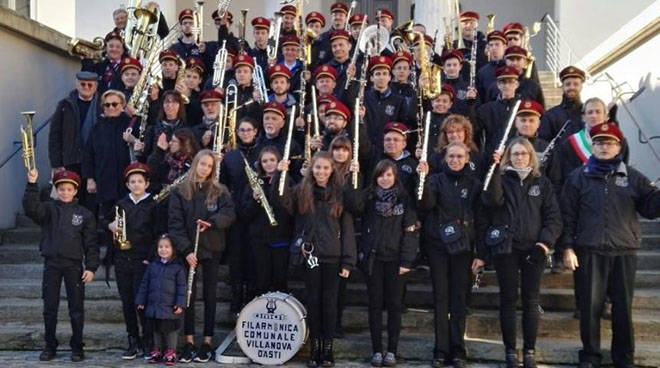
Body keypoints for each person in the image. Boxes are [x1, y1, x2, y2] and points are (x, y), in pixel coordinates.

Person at [560, 122, 660, 368]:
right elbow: (567, 216)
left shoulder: (634, 177)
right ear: (592, 146)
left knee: (623, 310)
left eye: (610, 143)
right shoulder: (577, 178)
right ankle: (590, 356)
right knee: (590, 308)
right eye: (599, 142)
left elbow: (650, 209)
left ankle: (623, 358)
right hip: (589, 251)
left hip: (624, 251)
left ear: (619, 147)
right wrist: (567, 248)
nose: (604, 147)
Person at [479, 137, 562, 368]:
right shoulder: (502, 179)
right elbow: (492, 201)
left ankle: (529, 350)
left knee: (531, 299)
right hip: (507, 248)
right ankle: (510, 351)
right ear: (509, 157)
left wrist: (544, 244)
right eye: (514, 154)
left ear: (531, 156)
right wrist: (495, 170)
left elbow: (553, 218)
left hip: (533, 249)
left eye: (523, 154)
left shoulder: (541, 183)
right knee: (508, 299)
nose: (519, 157)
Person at [275, 151, 356, 368]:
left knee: (329, 302)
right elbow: (284, 202)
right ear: (312, 169)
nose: (321, 172)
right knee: (313, 300)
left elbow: (347, 228)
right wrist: (281, 175)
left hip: (332, 255)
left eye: (325, 168)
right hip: (311, 255)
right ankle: (315, 346)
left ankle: (327, 347)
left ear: (332, 171)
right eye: (317, 168)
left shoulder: (340, 194)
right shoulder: (302, 191)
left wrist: (348, 261)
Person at [416, 142, 482, 368]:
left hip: (463, 249)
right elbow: (426, 204)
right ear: (445, 159)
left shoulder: (473, 184)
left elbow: (481, 218)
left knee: (459, 300)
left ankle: (458, 349)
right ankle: (440, 349)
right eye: (451, 156)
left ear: (466, 159)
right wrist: (423, 180)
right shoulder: (435, 180)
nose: (455, 160)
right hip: (438, 247)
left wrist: (479, 252)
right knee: (441, 299)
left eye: (459, 156)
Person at [23, 169, 98, 362]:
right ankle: (50, 345)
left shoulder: (84, 214)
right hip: (52, 265)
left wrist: (91, 267)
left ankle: (77, 346)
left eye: (69, 189)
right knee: (50, 307)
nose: (65, 192)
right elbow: (31, 208)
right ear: (56, 190)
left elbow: (91, 243)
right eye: (61, 189)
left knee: (76, 307)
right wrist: (32, 184)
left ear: (75, 191)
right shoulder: (48, 210)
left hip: (74, 266)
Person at [168, 150, 236, 363]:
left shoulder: (220, 191)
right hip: (189, 252)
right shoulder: (180, 191)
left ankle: (207, 341)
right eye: (202, 164)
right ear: (195, 164)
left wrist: (213, 222)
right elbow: (175, 224)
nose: (205, 168)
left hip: (212, 249)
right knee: (188, 295)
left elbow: (229, 214)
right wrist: (186, 251)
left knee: (210, 295)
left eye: (209, 166)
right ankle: (188, 341)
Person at [351, 160, 418, 367]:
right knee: (375, 305)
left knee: (395, 305)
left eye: (389, 175)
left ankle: (392, 350)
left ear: (395, 177)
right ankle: (377, 350)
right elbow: (354, 205)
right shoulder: (370, 198)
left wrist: (407, 260)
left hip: (396, 259)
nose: (385, 179)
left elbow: (410, 232)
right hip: (374, 259)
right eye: (381, 175)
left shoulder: (405, 199)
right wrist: (358, 178)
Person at [105, 163, 158, 359]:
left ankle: (147, 340)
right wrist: (110, 225)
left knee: (141, 302)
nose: (136, 185)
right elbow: (104, 221)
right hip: (122, 258)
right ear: (127, 184)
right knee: (127, 302)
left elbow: (158, 233)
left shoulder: (153, 204)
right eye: (132, 182)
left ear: (147, 183)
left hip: (142, 260)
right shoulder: (121, 204)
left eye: (140, 181)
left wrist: (150, 258)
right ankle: (132, 339)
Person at [220, 117, 263, 312]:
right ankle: (236, 297)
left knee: (254, 255)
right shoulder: (231, 156)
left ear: (255, 131)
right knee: (236, 256)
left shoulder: (263, 152)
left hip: (256, 210)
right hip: (236, 210)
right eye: (241, 130)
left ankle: (252, 296)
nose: (245, 133)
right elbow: (223, 184)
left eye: (249, 130)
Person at [239, 146, 293, 296]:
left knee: (280, 280)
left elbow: (290, 209)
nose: (269, 164)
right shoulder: (254, 183)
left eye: (272, 160)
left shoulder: (287, 181)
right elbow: (245, 214)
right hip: (260, 239)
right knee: (261, 280)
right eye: (265, 161)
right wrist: (254, 201)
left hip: (281, 237)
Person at [48, 71, 100, 208]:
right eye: (83, 84)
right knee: (69, 202)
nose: (86, 87)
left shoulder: (104, 105)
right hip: (71, 161)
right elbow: (55, 135)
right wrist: (57, 163)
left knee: (91, 202)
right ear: (77, 84)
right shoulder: (65, 105)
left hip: (95, 161)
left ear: (96, 86)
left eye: (90, 84)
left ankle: (89, 229)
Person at [82, 90, 133, 220]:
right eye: (107, 105)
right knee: (108, 220)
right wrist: (90, 179)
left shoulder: (132, 124)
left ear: (122, 105)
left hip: (127, 182)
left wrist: (133, 140)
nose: (111, 107)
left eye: (115, 104)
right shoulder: (97, 128)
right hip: (105, 181)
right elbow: (89, 154)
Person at [136, 234, 186, 365]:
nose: (163, 249)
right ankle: (157, 350)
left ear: (173, 249)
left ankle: (171, 351)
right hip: (154, 306)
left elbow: (182, 288)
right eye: (160, 247)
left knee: (170, 330)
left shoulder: (178, 268)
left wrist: (180, 304)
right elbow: (144, 284)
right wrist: (141, 300)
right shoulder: (152, 266)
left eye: (167, 247)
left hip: (170, 307)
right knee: (156, 329)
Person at [539, 66, 586, 142]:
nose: (572, 87)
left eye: (576, 84)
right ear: (562, 87)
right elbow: (543, 143)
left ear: (581, 87)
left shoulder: (588, 113)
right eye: (568, 84)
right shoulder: (551, 115)